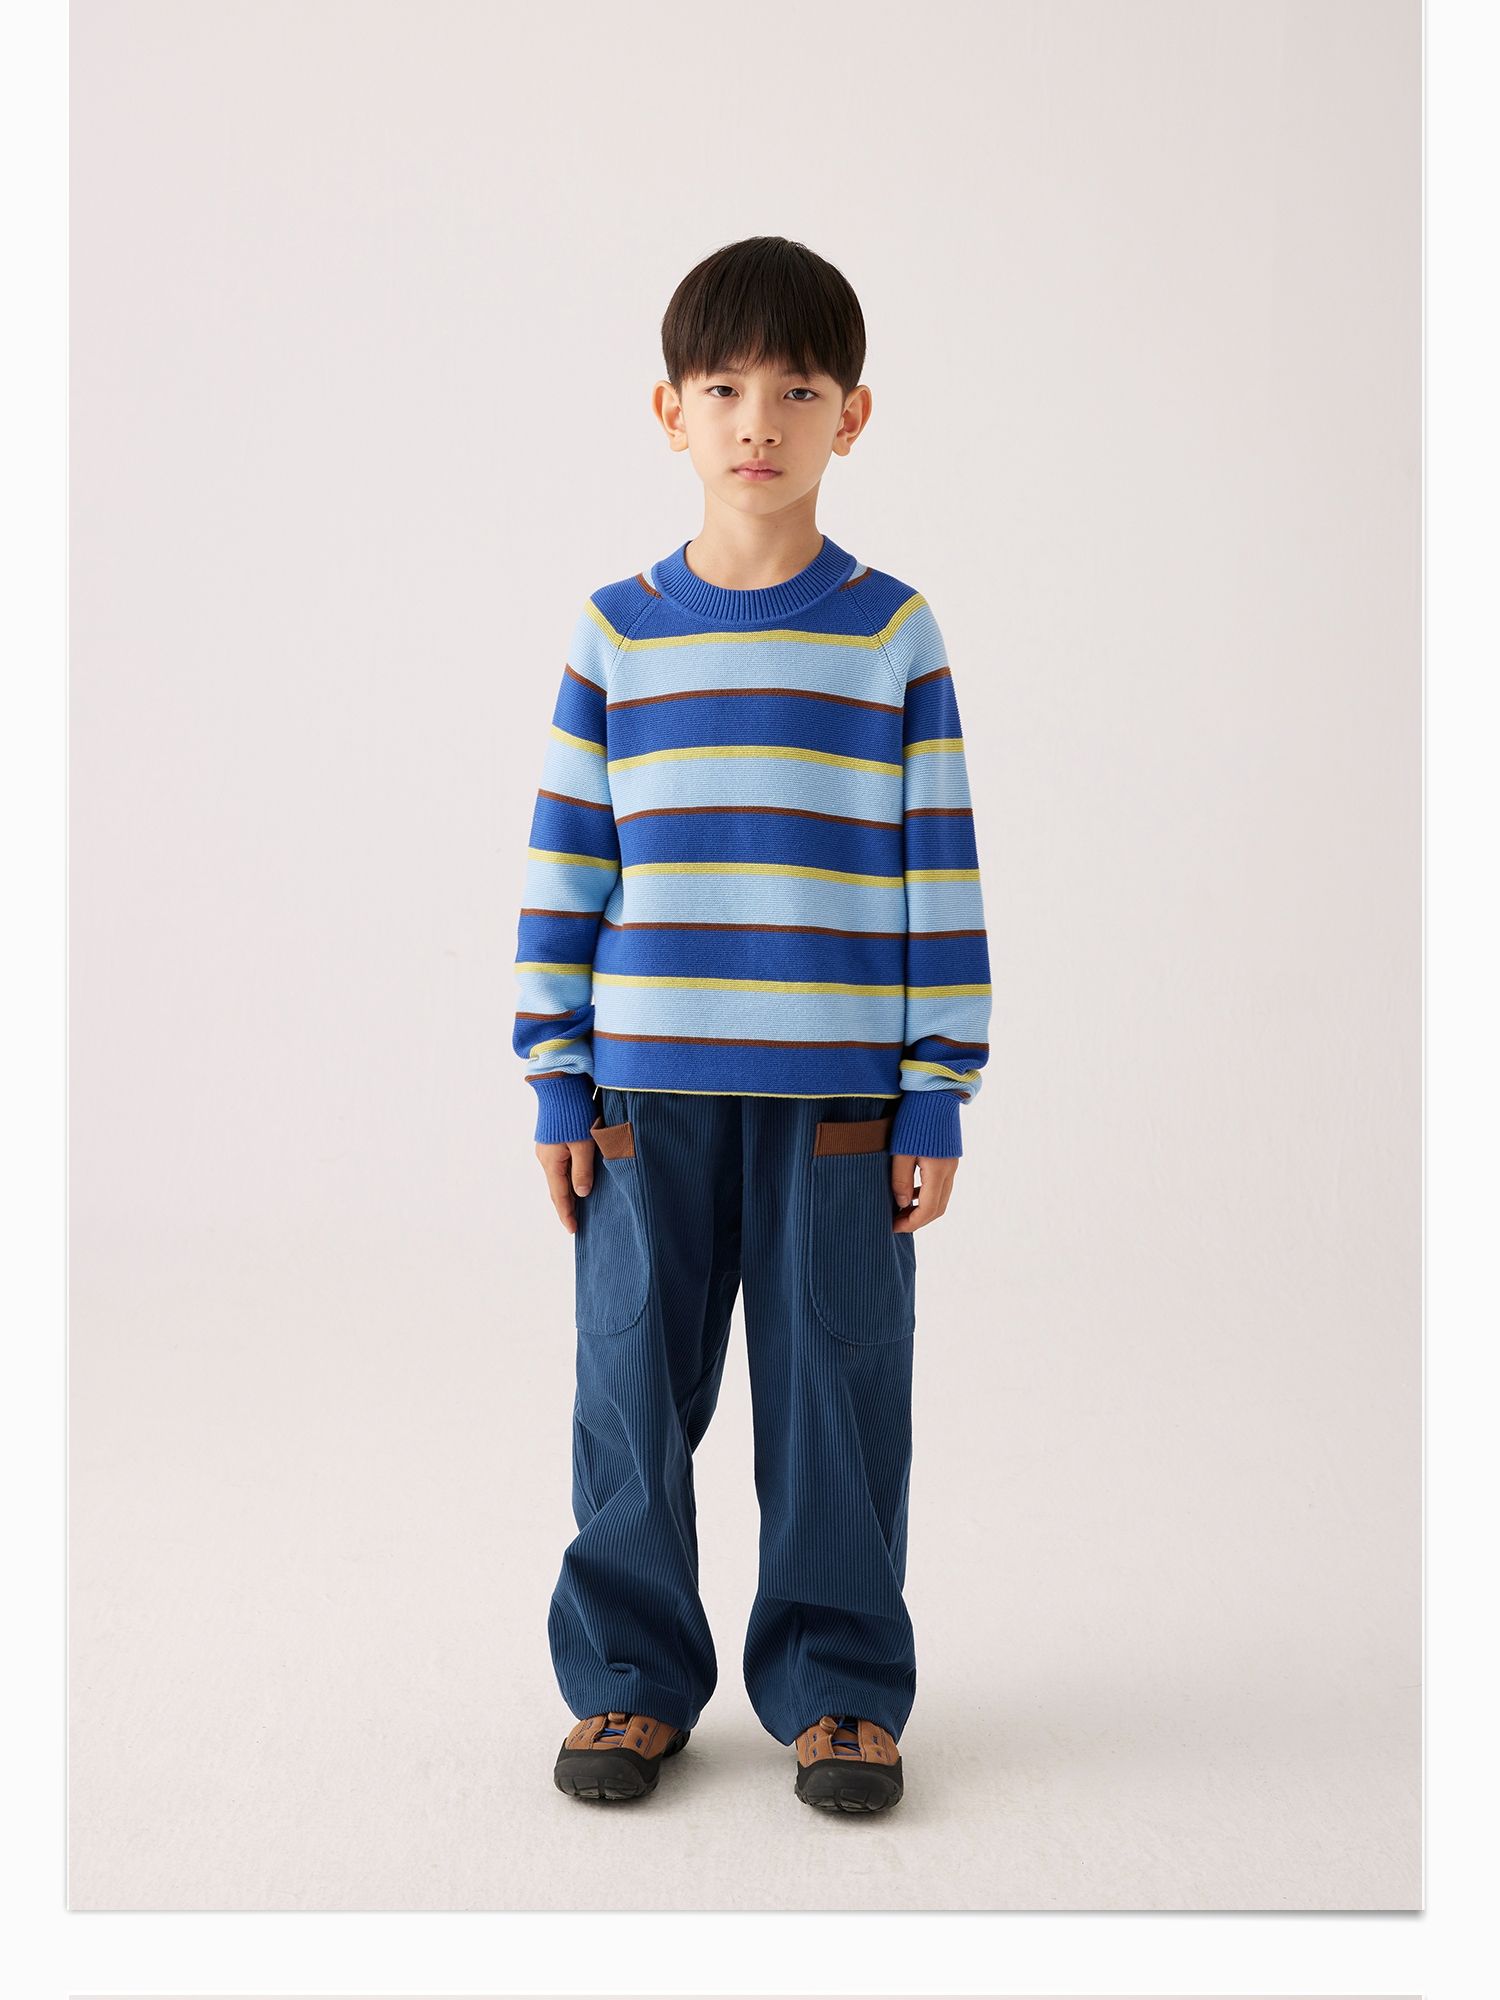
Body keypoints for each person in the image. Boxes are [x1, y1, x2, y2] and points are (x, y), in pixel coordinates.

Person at [512, 235, 992, 1813]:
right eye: (723, 388)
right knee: (629, 1395)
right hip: (643, 1099)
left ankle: (841, 1688)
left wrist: (936, 1090)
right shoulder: (616, 634)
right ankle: (630, 1679)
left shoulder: (891, 635)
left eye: (797, 388)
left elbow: (937, 866)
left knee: (837, 1397)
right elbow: (568, 864)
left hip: (840, 1099)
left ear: (853, 414)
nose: (758, 420)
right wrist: (554, 1078)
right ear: (670, 411)